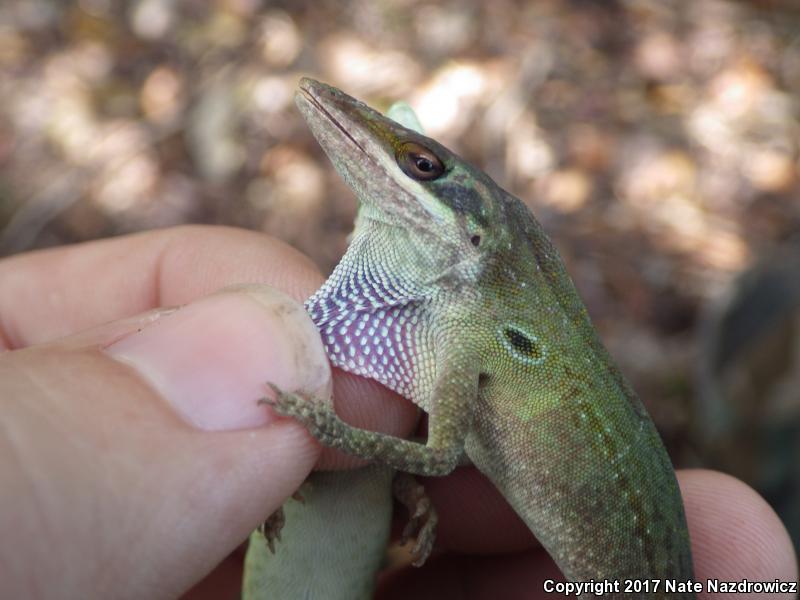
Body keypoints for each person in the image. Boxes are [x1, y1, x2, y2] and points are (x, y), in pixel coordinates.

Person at [1, 226, 796, 599]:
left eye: (418, 165)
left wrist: (335, 431)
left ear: (474, 239)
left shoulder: (466, 338)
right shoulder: (468, 340)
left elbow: (444, 457)